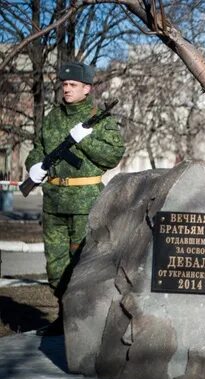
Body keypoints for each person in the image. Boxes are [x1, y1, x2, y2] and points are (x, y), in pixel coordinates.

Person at [25, 62, 124, 336]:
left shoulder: (99, 119)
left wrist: (85, 140)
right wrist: (33, 165)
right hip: (54, 201)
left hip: (85, 202)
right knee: (55, 264)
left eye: (73, 85)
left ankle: (82, 319)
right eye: (64, 84)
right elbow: (38, 150)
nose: (66, 89)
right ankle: (63, 316)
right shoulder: (52, 117)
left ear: (87, 89)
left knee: (82, 263)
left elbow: (113, 155)